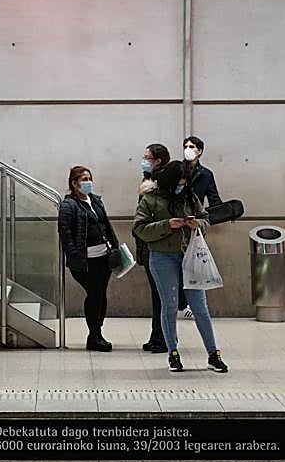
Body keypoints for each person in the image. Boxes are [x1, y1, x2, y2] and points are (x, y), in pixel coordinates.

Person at [134, 160, 228, 374]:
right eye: (178, 183)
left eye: (185, 183)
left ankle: (213, 354)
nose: (181, 186)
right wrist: (167, 225)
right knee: (169, 305)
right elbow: (139, 229)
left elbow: (205, 218)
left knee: (200, 307)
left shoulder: (189, 197)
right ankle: (173, 353)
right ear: (169, 182)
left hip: (190, 257)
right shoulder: (150, 199)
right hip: (161, 257)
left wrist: (199, 224)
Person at [58, 165, 121, 352]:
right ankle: (94, 336)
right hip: (85, 261)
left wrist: (114, 246)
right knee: (94, 295)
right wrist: (74, 255)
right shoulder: (69, 205)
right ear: (74, 183)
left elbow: (106, 225)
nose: (88, 182)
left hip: (104, 257)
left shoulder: (95, 200)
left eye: (89, 178)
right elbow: (65, 232)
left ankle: (97, 333)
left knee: (101, 295)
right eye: (84, 179)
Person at [135, 143, 172, 352]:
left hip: (159, 245)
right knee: (157, 294)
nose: (144, 160)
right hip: (149, 244)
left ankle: (163, 337)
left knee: (161, 295)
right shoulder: (147, 180)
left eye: (147, 157)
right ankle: (157, 334)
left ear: (158, 160)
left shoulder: (162, 183)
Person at [180, 136, 221, 319]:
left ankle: (191, 303)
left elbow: (214, 199)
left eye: (192, 147)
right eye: (186, 146)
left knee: (194, 264)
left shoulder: (205, 174)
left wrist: (224, 212)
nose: (188, 149)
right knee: (177, 264)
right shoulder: (176, 170)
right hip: (177, 223)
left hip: (194, 226)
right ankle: (181, 303)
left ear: (200, 151)